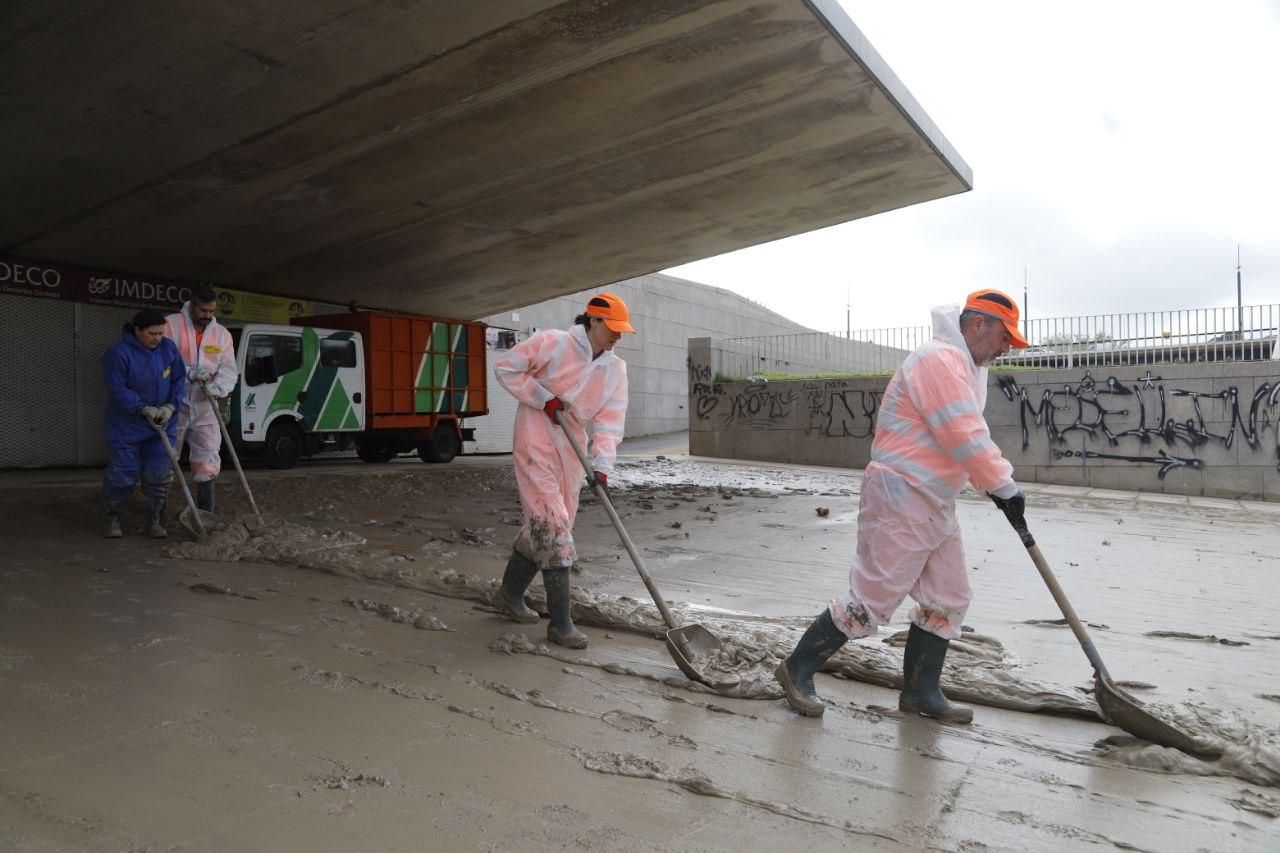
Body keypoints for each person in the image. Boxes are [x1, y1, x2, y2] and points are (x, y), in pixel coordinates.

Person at [775, 289, 1031, 723]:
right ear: (977, 325)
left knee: (948, 596)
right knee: (873, 598)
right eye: (1004, 336)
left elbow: (960, 443)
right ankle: (796, 670)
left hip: (934, 496)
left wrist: (993, 489)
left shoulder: (964, 367)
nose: (1007, 347)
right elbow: (962, 433)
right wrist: (1002, 485)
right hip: (902, 492)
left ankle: (921, 692)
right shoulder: (939, 360)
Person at [491, 293, 635, 648]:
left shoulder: (615, 370)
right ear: (594, 320)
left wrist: (602, 466)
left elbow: (609, 421)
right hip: (537, 431)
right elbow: (506, 367)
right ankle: (560, 624)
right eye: (612, 328)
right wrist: (543, 397)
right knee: (552, 523)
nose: (617, 336)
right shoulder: (553, 343)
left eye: (622, 330)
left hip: (573, 444)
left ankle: (509, 595)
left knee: (555, 522)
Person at [102, 308, 187, 538]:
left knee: (159, 474)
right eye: (152, 333)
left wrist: (171, 406)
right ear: (137, 330)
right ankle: (113, 517)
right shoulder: (118, 354)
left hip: (162, 423)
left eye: (160, 333)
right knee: (123, 472)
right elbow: (117, 388)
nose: (157, 338)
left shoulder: (168, 349)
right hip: (127, 426)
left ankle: (153, 521)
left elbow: (179, 378)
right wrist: (142, 408)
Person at [165, 285, 237, 512]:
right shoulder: (170, 325)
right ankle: (158, 513)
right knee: (165, 456)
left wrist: (219, 388)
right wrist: (188, 373)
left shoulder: (222, 334)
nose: (208, 316)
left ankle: (206, 513)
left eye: (211, 311)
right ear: (193, 305)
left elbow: (228, 369)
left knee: (207, 457)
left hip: (206, 405)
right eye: (203, 310)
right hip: (173, 403)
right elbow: (161, 361)